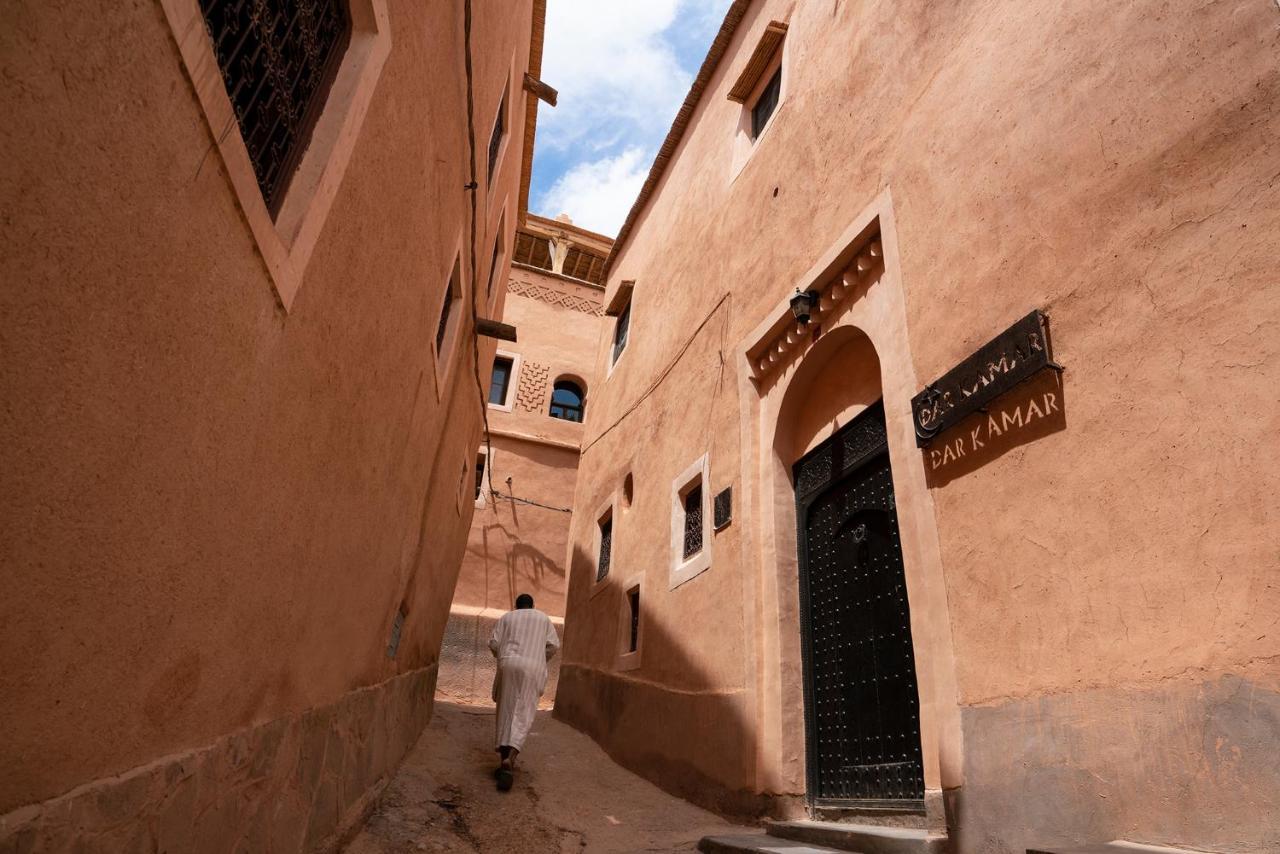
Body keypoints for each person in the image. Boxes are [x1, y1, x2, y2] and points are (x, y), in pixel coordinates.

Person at [488, 593, 560, 790]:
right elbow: (553, 645)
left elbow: (494, 643)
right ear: (532, 606)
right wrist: (538, 657)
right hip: (533, 667)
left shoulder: (506, 617)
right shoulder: (543, 618)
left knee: (506, 710)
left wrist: (504, 656)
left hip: (508, 664)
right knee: (524, 712)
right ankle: (511, 758)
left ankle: (503, 760)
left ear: (516, 606)